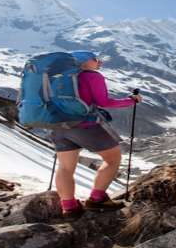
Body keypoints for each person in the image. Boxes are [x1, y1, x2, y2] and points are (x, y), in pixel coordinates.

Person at [50, 51, 142, 218]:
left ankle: (69, 208)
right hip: (84, 125)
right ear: (84, 62)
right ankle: (96, 199)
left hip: (59, 126)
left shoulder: (57, 77)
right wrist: (131, 100)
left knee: (65, 167)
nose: (100, 62)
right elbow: (104, 102)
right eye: (95, 59)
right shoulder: (92, 76)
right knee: (113, 159)